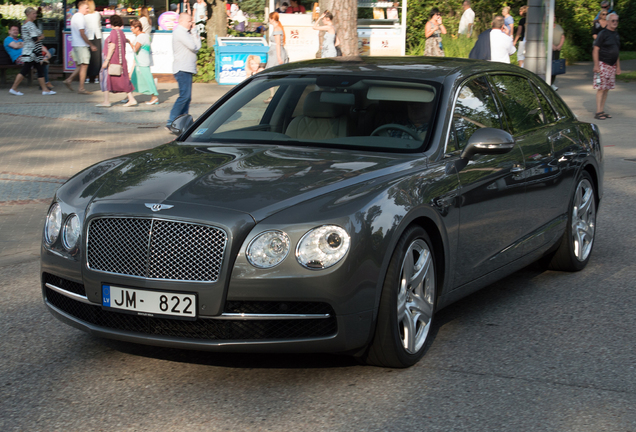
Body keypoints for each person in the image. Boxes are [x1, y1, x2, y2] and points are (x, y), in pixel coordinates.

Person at [8, 7, 55, 96]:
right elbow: (34, 38)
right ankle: (14, 88)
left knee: (39, 69)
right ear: (28, 14)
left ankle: (45, 89)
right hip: (31, 52)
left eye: (35, 13)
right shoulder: (30, 24)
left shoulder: (26, 24)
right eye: (33, 13)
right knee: (25, 70)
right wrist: (41, 37)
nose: (35, 15)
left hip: (32, 51)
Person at [167, 12, 201, 129]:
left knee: (187, 97)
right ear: (181, 21)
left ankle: (183, 122)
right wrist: (193, 34)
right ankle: (172, 121)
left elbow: (198, 47)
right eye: (189, 21)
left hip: (187, 68)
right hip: (182, 68)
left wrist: (194, 32)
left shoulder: (187, 33)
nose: (191, 23)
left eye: (191, 21)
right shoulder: (179, 32)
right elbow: (193, 46)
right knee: (184, 96)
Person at [98, 14, 137, 107]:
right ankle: (131, 99)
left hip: (113, 61)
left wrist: (106, 60)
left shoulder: (113, 32)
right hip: (121, 61)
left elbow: (112, 46)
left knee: (106, 79)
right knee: (123, 80)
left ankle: (107, 101)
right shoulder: (121, 33)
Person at [63, 0, 98, 94]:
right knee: (84, 65)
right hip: (81, 45)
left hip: (76, 44)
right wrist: (91, 44)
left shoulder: (75, 16)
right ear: (81, 7)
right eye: (86, 8)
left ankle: (69, 80)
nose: (88, 10)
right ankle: (81, 88)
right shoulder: (80, 17)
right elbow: (82, 33)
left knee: (80, 65)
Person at [593, 12, 621, 120]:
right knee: (601, 88)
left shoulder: (616, 34)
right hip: (602, 64)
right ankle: (598, 112)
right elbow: (595, 49)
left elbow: (616, 51)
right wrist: (596, 65)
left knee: (607, 89)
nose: (615, 23)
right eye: (613, 21)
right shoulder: (603, 33)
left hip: (612, 65)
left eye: (616, 21)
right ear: (608, 21)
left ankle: (602, 110)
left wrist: (618, 67)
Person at [129, 19, 159, 105]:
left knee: (148, 80)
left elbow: (135, 49)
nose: (131, 29)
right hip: (142, 62)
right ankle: (130, 97)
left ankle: (154, 97)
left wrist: (129, 42)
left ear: (137, 28)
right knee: (134, 80)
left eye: (132, 28)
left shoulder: (140, 37)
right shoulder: (145, 35)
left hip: (142, 62)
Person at [84, 0, 102, 84]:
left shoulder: (85, 16)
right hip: (97, 36)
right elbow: (99, 25)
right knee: (97, 58)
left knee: (88, 57)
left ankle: (87, 77)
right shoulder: (97, 14)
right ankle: (96, 77)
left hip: (88, 36)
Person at [551, 22, 565, 89]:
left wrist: (560, 45)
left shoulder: (558, 26)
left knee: (555, 66)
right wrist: (551, 45)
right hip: (549, 49)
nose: (554, 17)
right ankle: (548, 82)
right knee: (549, 66)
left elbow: (562, 36)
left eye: (554, 16)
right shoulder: (546, 27)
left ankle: (552, 83)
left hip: (557, 49)